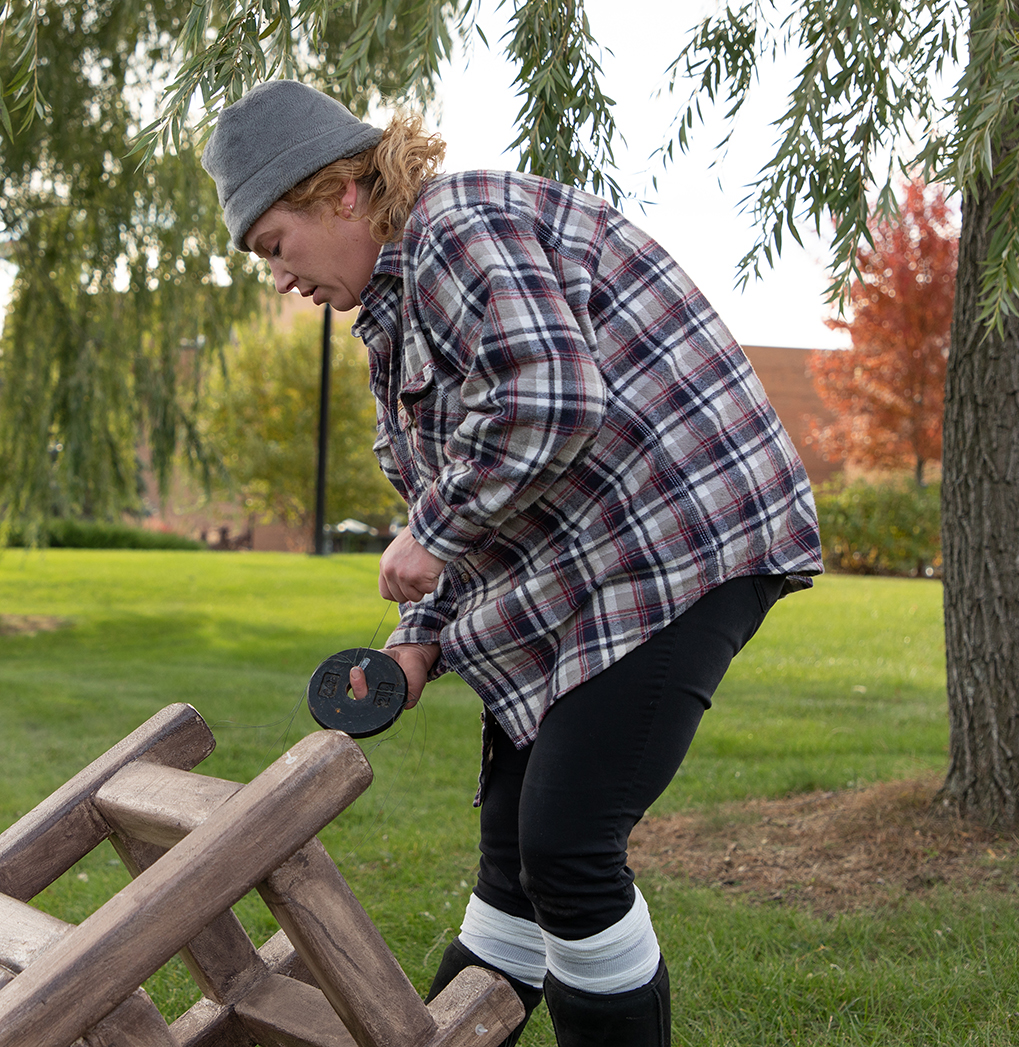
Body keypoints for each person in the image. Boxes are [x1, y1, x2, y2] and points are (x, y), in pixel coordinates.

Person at [202, 81, 822, 1046]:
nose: (279, 278)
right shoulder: (394, 313)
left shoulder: (457, 225)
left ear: (342, 195)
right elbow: (469, 487)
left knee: (568, 846)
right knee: (514, 860)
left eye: (274, 246)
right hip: (589, 574)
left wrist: (430, 534)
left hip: (683, 545)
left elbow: (550, 401)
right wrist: (417, 645)